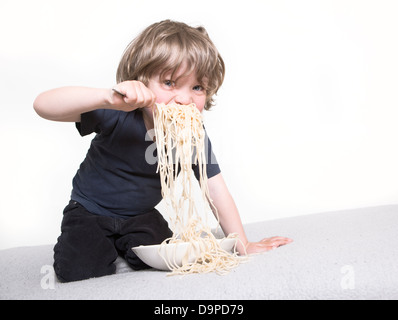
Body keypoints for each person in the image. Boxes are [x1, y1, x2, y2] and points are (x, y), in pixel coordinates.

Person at [33, 20, 293, 282]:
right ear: (141, 81)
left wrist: (242, 244)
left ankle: (123, 245)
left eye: (197, 87)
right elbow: (43, 105)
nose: (184, 99)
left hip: (140, 216)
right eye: (169, 83)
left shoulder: (192, 134)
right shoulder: (118, 112)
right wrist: (107, 97)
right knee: (79, 272)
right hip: (90, 210)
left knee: (168, 260)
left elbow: (216, 189)